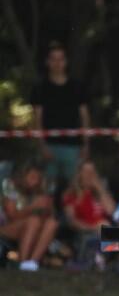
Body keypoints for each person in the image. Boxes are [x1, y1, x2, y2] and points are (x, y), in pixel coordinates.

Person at [30, 41, 90, 187]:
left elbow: (84, 116)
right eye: (53, 59)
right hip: (49, 146)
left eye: (61, 59)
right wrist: (42, 145)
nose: (57, 63)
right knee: (47, 188)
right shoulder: (40, 87)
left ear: (66, 62)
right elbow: (37, 118)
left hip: (73, 146)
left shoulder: (77, 86)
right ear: (47, 62)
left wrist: (86, 144)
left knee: (74, 189)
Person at [0, 163, 58, 271]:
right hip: (6, 227)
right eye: (31, 177)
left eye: (37, 178)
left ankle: (31, 263)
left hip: (33, 228)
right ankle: (23, 262)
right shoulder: (11, 186)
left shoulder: (40, 193)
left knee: (52, 223)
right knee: (34, 221)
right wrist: (33, 207)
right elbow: (12, 216)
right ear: (23, 176)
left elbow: (49, 218)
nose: (34, 181)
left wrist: (47, 207)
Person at [62, 161, 116, 265]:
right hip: (85, 229)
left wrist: (100, 189)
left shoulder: (100, 192)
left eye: (92, 172)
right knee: (105, 228)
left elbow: (112, 212)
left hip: (106, 228)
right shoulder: (71, 194)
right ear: (79, 174)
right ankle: (102, 260)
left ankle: (109, 261)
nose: (89, 175)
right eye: (86, 171)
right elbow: (71, 220)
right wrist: (92, 227)